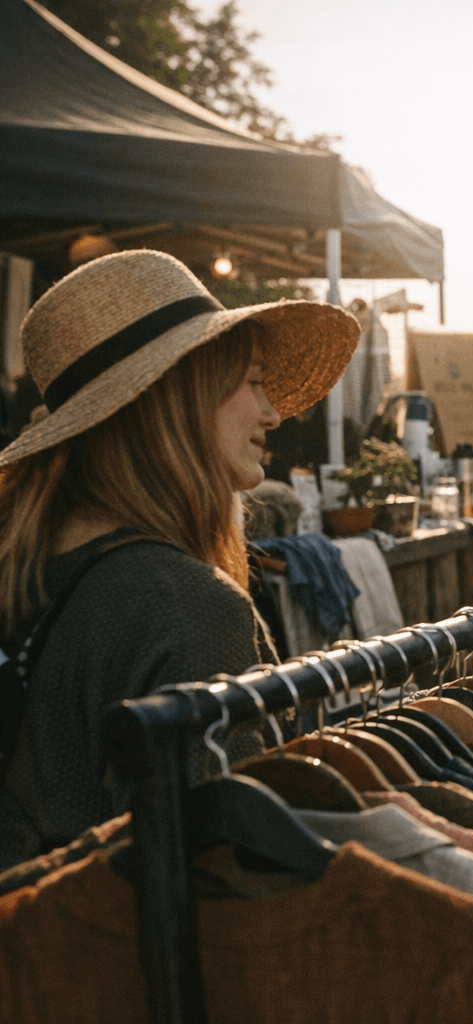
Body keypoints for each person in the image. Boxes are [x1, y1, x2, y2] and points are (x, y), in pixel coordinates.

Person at [0, 250, 358, 870]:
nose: (273, 412)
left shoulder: (27, 565)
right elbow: (232, 888)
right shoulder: (181, 604)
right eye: (250, 381)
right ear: (179, 397)